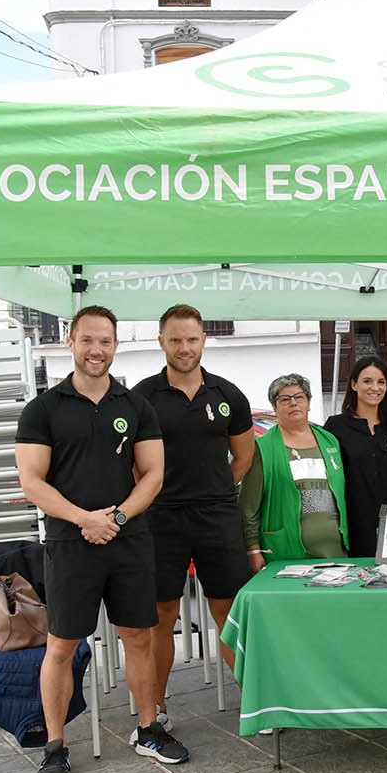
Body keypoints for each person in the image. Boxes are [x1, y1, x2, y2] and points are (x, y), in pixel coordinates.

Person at [15, 305, 184, 773]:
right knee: (62, 645)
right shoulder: (43, 409)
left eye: (105, 341)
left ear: (115, 345)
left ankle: (149, 730)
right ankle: (55, 748)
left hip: (128, 541)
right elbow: (32, 481)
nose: (96, 350)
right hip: (70, 543)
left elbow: (153, 474)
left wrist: (118, 517)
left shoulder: (136, 406)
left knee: (139, 637)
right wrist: (84, 519)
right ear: (71, 343)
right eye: (87, 340)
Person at [131, 304, 256, 733]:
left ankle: (256, 700)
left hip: (217, 517)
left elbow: (243, 458)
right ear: (161, 342)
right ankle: (156, 709)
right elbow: (134, 466)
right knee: (161, 616)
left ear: (203, 340)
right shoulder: (142, 398)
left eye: (191, 339)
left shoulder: (228, 395)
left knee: (229, 612)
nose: (184, 348)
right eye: (175, 340)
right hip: (161, 518)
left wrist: (214, 490)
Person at [241, 373, 349, 567]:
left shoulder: (330, 441)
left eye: (299, 397)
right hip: (285, 553)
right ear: (274, 407)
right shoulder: (262, 448)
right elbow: (249, 506)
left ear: (308, 403)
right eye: (284, 399)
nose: (293, 403)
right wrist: (253, 550)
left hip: (334, 551)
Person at [323, 356, 387, 557]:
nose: (375, 388)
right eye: (367, 381)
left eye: (381, 382)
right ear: (354, 385)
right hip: (355, 524)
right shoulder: (335, 426)